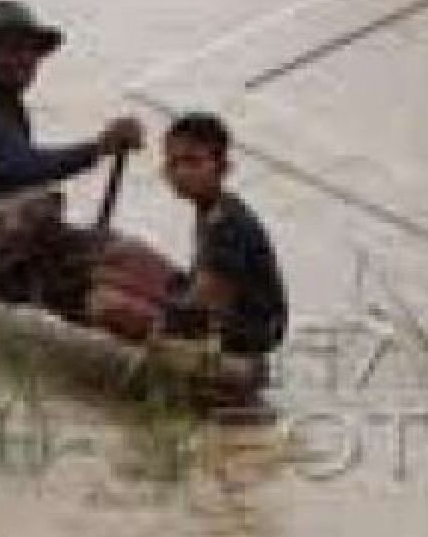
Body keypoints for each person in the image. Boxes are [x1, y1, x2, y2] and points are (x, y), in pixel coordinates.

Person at [0, 0, 143, 319]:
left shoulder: (11, 108)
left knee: (106, 244)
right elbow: (21, 166)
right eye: (11, 50)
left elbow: (15, 179)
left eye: (30, 50)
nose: (24, 59)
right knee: (40, 214)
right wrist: (99, 148)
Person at [90, 112, 288, 361]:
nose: (181, 173)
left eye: (192, 162)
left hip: (242, 329)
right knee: (124, 253)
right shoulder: (212, 207)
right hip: (213, 307)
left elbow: (205, 307)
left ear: (223, 168)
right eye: (173, 164)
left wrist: (136, 304)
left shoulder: (226, 224)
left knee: (104, 303)